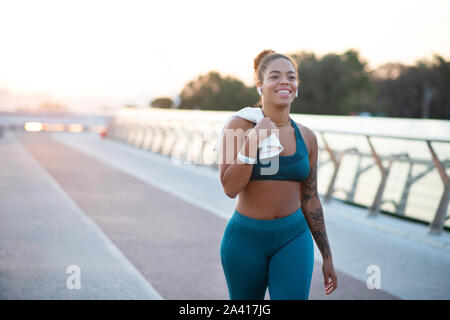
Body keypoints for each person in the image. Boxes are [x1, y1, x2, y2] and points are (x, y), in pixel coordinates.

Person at [218, 49, 337, 300]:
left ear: (297, 87)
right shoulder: (237, 126)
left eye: (291, 77)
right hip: (245, 241)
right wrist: (253, 140)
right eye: (275, 76)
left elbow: (311, 198)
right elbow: (229, 188)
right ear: (261, 86)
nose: (285, 81)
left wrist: (327, 257)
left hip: (294, 237)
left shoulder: (307, 137)